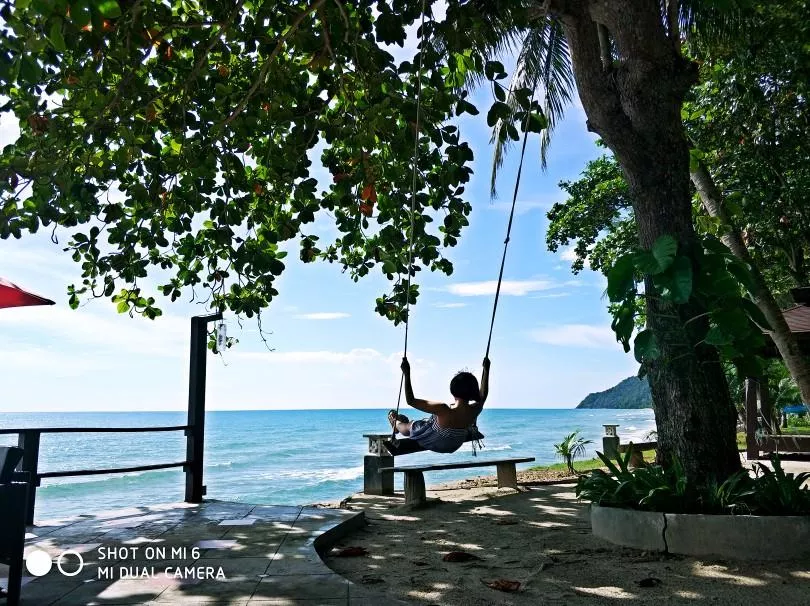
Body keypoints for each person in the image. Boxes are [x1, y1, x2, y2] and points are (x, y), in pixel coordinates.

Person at [387, 356, 490, 454]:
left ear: (453, 390)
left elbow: (411, 401)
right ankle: (402, 421)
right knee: (429, 422)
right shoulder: (475, 409)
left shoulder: (443, 409)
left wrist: (407, 373)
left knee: (411, 426)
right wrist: (486, 370)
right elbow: (483, 395)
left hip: (435, 441)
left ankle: (396, 423)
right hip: (454, 444)